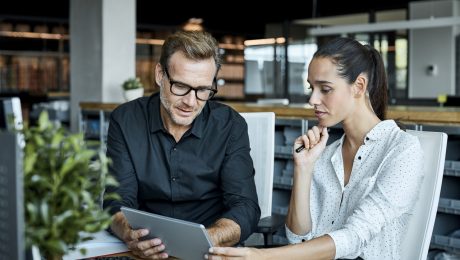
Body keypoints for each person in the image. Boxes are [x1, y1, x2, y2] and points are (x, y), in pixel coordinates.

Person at [207, 37, 424, 259]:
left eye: (325, 89)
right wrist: (303, 168)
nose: (312, 99)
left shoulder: (402, 150)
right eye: (312, 87)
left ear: (359, 86)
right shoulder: (325, 154)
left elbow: (355, 236)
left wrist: (262, 257)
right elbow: (298, 238)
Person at [103, 30, 260, 259]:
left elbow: (245, 207)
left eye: (203, 90)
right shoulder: (126, 120)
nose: (190, 102)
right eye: (180, 86)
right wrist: (129, 234)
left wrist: (207, 239)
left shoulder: (230, 126)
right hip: (145, 250)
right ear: (160, 75)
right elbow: (116, 200)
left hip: (209, 250)